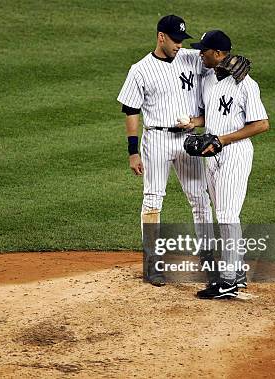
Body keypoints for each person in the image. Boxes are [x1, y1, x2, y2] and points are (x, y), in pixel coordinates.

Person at [117, 15, 215, 286]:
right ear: (161, 37)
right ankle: (152, 265)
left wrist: (230, 61)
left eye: (182, 40)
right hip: (157, 140)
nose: (179, 45)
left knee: (200, 199)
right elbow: (131, 110)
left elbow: (213, 56)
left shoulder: (191, 58)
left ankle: (208, 259)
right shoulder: (140, 69)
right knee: (152, 200)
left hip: (188, 140)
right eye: (175, 40)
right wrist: (132, 151)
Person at [188, 30, 270, 299]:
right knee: (222, 212)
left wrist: (223, 140)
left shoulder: (246, 84)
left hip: (235, 154)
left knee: (226, 215)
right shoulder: (210, 79)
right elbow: (211, 115)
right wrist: (193, 123)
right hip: (213, 155)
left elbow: (261, 124)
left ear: (219, 53)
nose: (201, 54)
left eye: (205, 50)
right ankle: (237, 274)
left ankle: (228, 281)